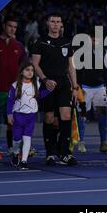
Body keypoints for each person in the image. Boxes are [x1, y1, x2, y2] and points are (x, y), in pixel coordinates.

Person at [31, 13, 79, 166]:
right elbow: (35, 64)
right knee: (49, 118)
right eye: (53, 21)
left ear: (61, 24)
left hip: (64, 84)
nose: (55, 24)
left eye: (58, 22)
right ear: (47, 23)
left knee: (66, 116)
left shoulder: (66, 43)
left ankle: (65, 153)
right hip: (47, 84)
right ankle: (50, 153)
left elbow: (71, 67)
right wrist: (45, 79)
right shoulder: (40, 42)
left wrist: (75, 87)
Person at [0, 16, 27, 161]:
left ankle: (16, 149)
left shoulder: (19, 46)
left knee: (16, 121)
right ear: (4, 26)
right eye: (10, 26)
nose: (12, 29)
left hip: (14, 90)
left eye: (15, 27)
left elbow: (25, 66)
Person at [77, 31, 107, 154]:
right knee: (82, 116)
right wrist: (77, 86)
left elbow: (104, 70)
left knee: (102, 117)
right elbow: (77, 71)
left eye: (97, 40)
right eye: (93, 40)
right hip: (85, 88)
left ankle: (104, 143)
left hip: (99, 88)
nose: (95, 42)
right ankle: (81, 142)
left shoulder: (101, 51)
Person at [7, 62, 50, 170]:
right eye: (27, 70)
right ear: (21, 72)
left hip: (30, 116)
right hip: (18, 116)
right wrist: (9, 114)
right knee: (16, 139)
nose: (30, 72)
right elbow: (10, 101)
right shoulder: (15, 85)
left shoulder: (37, 84)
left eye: (32, 70)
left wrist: (49, 90)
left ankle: (24, 161)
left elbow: (39, 96)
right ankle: (16, 153)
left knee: (27, 138)